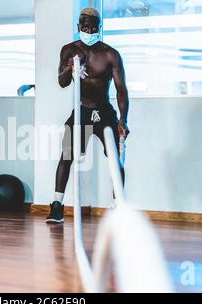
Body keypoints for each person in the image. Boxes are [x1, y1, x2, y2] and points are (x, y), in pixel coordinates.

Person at [46, 7, 130, 224]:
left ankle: (117, 207)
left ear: (99, 28)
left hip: (103, 111)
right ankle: (57, 206)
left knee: (115, 159)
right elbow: (62, 82)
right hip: (81, 110)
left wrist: (123, 120)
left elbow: (121, 90)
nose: (89, 31)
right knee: (67, 155)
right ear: (78, 27)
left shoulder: (110, 54)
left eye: (93, 28)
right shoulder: (69, 50)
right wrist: (71, 68)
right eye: (85, 27)